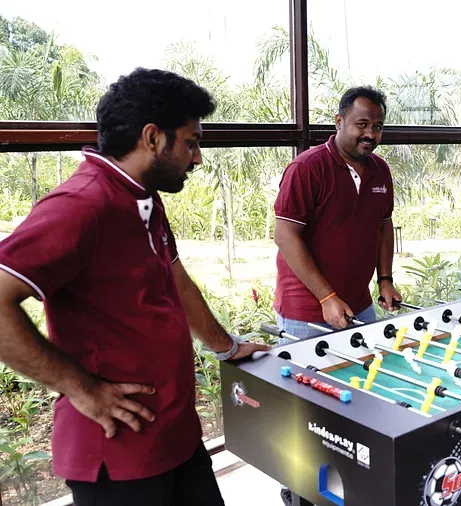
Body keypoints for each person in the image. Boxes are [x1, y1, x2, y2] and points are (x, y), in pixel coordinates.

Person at [0, 68, 268, 505]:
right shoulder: (82, 205)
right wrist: (82, 388)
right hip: (120, 455)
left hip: (175, 438)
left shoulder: (144, 197)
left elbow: (175, 279)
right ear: (152, 137)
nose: (197, 158)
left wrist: (226, 346)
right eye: (191, 142)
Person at [272, 86, 402, 505]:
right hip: (305, 311)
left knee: (361, 397)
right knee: (308, 411)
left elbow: (384, 225)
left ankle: (356, 483)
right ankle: (300, 491)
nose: (370, 134)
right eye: (362, 124)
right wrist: (326, 295)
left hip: (359, 306)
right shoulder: (307, 168)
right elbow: (285, 234)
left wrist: (384, 279)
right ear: (340, 121)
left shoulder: (380, 171)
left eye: (377, 126)